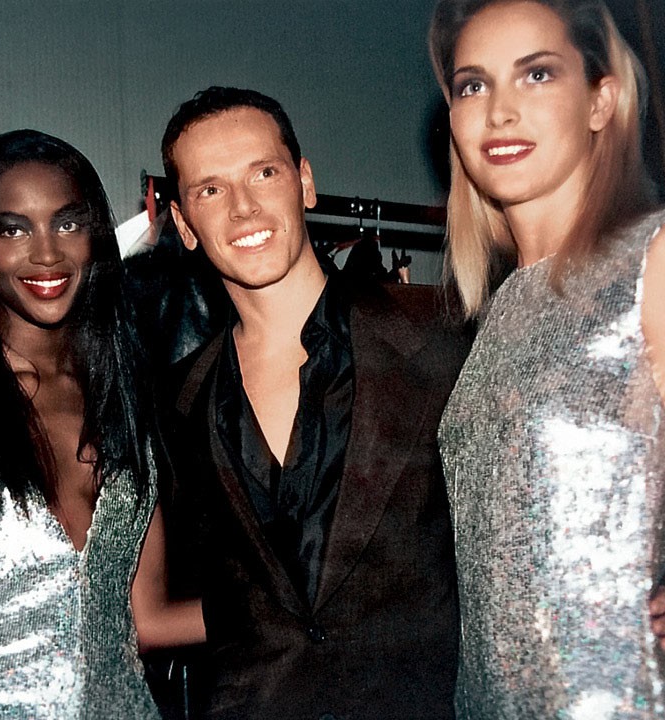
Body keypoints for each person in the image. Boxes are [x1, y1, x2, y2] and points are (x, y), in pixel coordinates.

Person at [158, 86, 470, 719]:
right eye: (211, 190)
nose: (243, 208)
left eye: (263, 173)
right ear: (185, 224)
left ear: (304, 182)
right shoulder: (175, 402)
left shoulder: (442, 333)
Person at [0, 129, 204, 719]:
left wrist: (290, 606)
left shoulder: (126, 401)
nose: (47, 254)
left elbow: (145, 621)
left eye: (67, 223)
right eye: (13, 230)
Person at [429, 0, 665, 716]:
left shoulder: (652, 258)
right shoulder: (498, 309)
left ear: (602, 100)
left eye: (536, 74)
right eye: (473, 85)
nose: (499, 111)